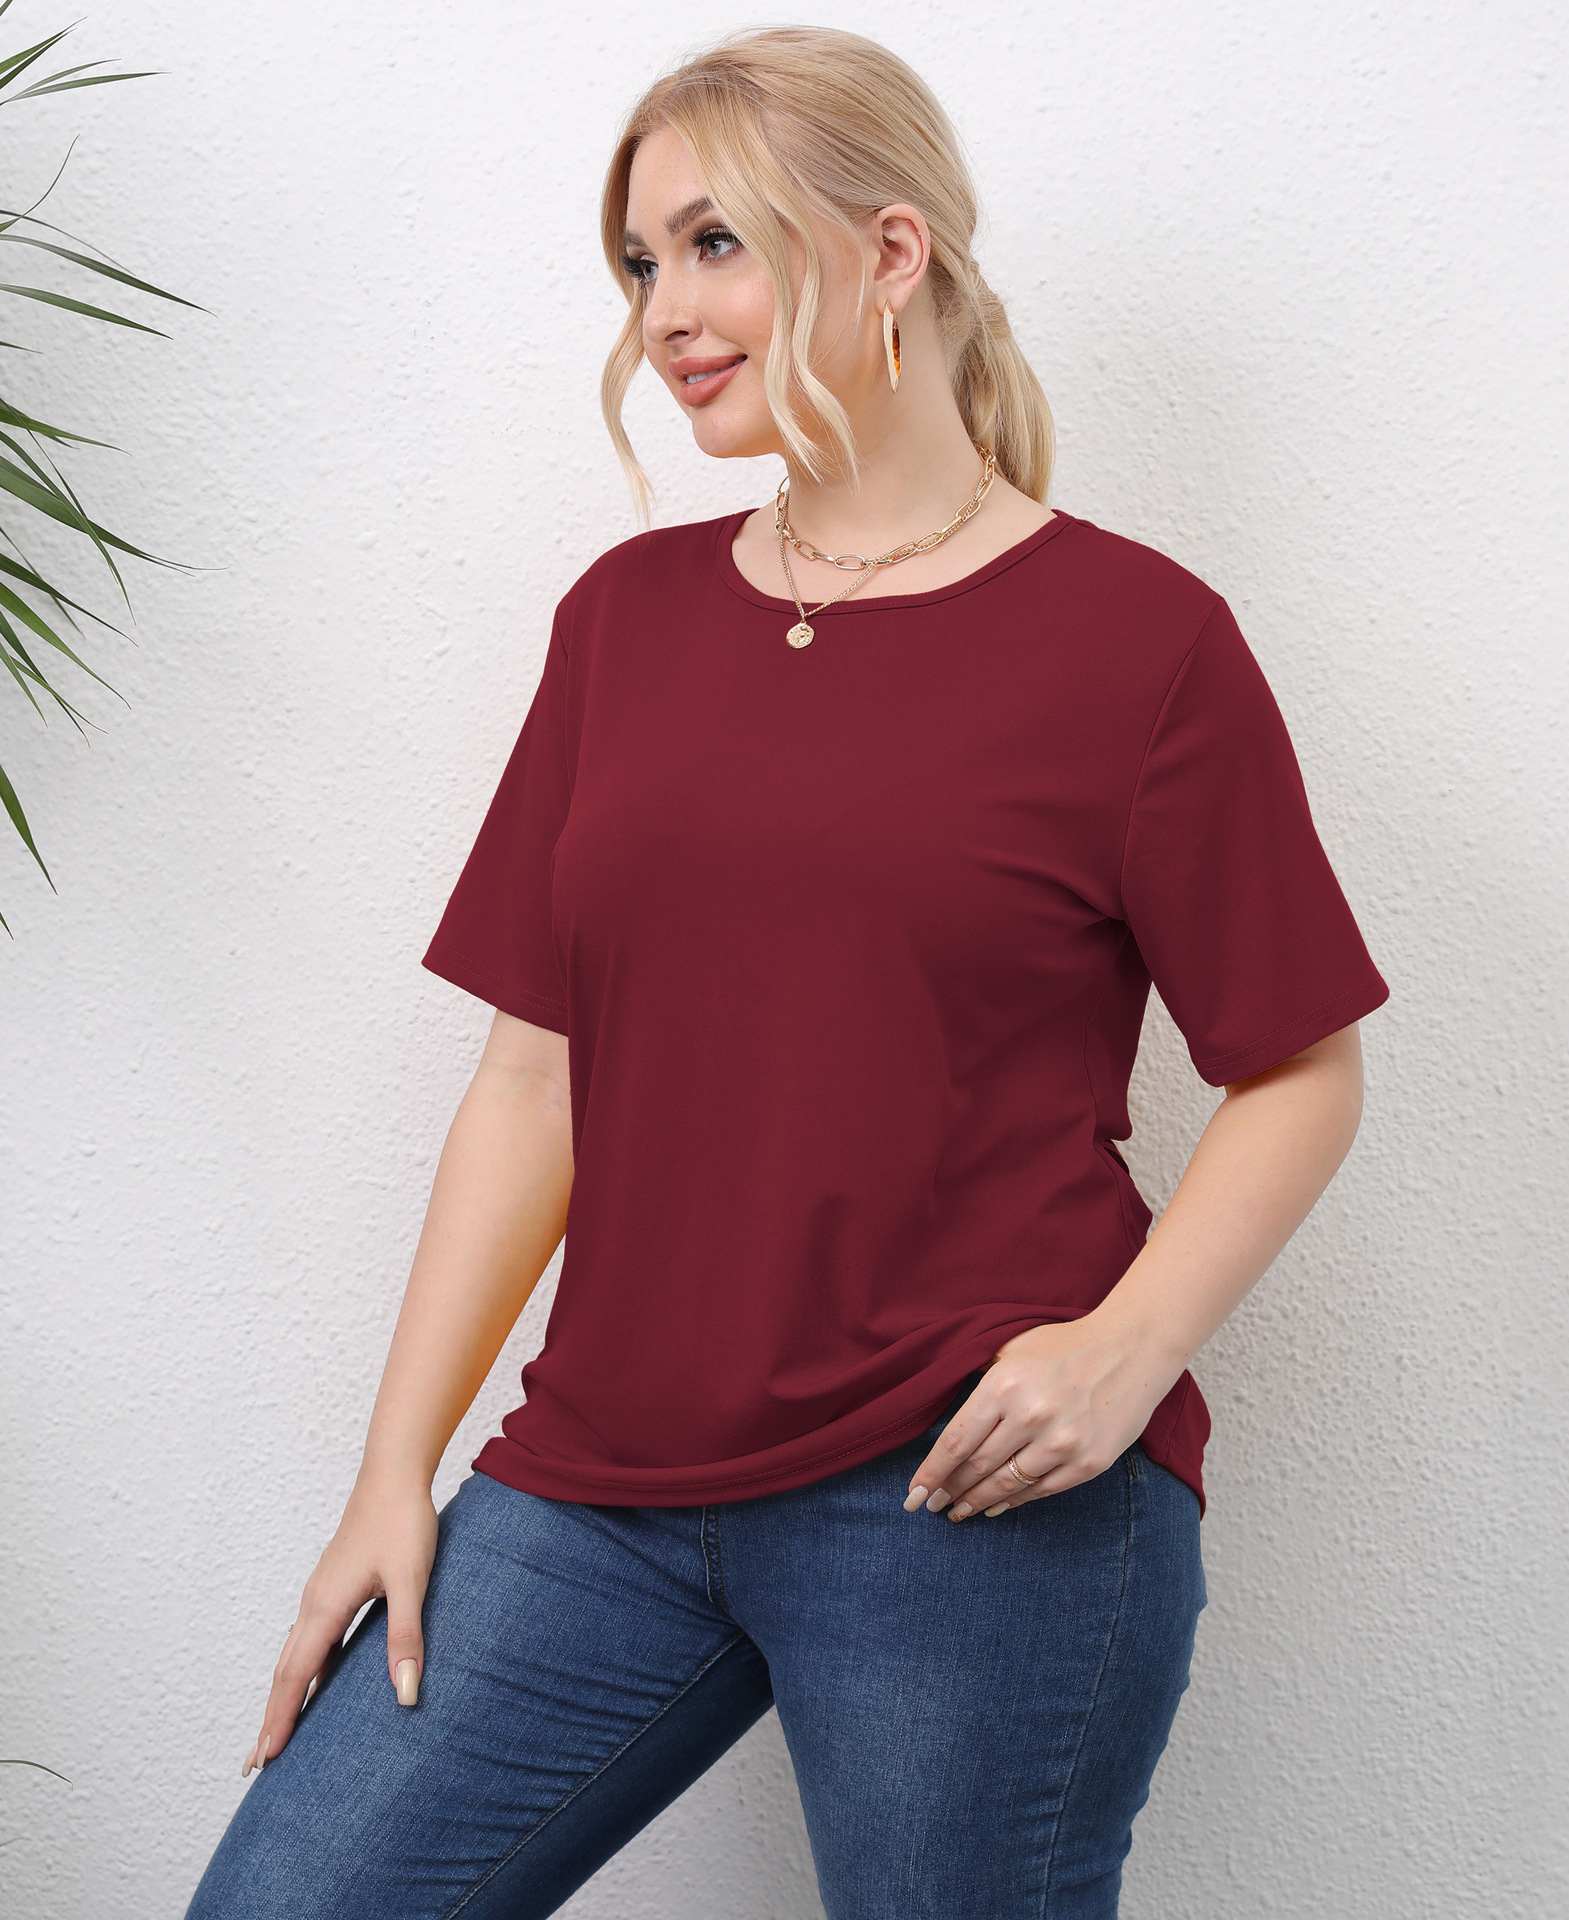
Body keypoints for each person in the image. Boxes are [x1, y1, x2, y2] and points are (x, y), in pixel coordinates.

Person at [185, 25, 1390, 1920]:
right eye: (639, 263)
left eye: (712, 243)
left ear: (889, 252)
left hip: (966, 1487)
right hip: (598, 1479)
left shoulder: (1137, 639)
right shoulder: (625, 622)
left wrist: (1127, 1346)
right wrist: (393, 1475)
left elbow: (1297, 1064)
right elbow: (532, 1076)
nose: (664, 311)